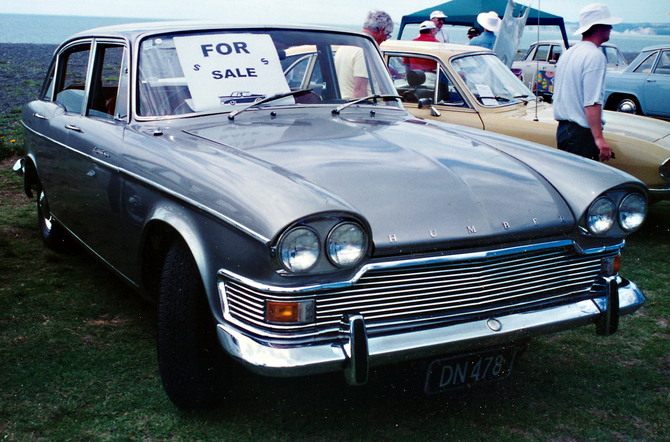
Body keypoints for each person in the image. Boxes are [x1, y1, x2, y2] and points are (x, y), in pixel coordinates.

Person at [553, 3, 621, 162]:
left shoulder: (568, 54)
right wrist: (599, 138)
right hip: (581, 134)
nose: (610, 27)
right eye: (607, 24)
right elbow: (592, 102)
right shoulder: (595, 56)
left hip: (564, 130)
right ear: (597, 28)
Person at [334, 10, 393, 99]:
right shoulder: (364, 50)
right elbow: (360, 90)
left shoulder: (344, 47)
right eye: (387, 35)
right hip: (362, 108)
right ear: (382, 30)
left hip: (342, 104)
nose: (385, 40)